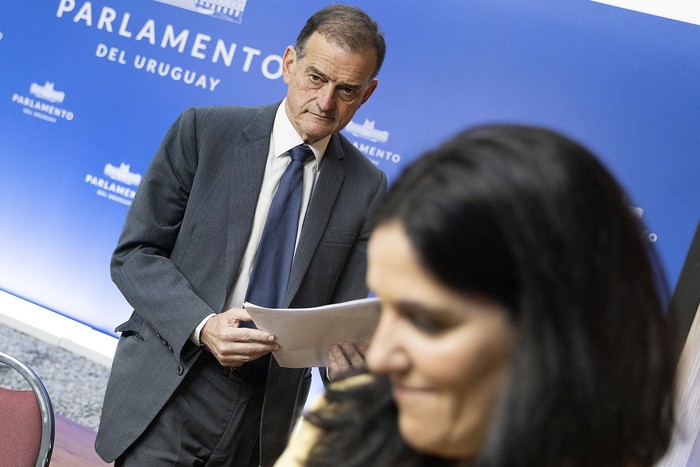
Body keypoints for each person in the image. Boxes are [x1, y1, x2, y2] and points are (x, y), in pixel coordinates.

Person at [275, 125, 676, 466]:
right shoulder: (342, 423)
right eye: (385, 310)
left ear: (557, 330)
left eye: (429, 323)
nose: (379, 358)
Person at [95, 4, 387, 466]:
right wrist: (203, 325)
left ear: (366, 94)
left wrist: (352, 370)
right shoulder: (204, 132)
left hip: (265, 417)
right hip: (174, 386)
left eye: (346, 90)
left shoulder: (367, 186)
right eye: (315, 77)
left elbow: (342, 321)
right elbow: (135, 255)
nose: (326, 102)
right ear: (289, 64)